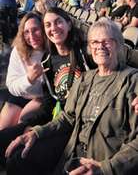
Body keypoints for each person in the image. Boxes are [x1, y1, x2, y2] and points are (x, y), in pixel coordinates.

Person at [5, 17, 138, 175]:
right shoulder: (84, 79)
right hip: (71, 154)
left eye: (107, 41)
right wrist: (37, 132)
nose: (100, 46)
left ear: (118, 45)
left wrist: (106, 168)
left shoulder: (132, 81)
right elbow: (68, 117)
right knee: (18, 158)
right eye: (94, 42)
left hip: (105, 161)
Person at [0, 7, 92, 169]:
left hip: (73, 123)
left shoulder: (85, 53)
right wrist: (33, 125)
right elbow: (51, 100)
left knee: (18, 158)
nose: (54, 28)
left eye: (58, 22)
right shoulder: (49, 60)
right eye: (49, 24)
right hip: (50, 112)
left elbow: (120, 65)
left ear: (69, 24)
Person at [0, 12, 47, 129]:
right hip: (20, 95)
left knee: (21, 124)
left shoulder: (52, 50)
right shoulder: (18, 50)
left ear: (43, 29)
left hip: (41, 98)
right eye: (26, 32)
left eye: (35, 29)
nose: (31, 36)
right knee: (2, 130)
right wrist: (28, 79)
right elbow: (11, 85)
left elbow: (47, 91)